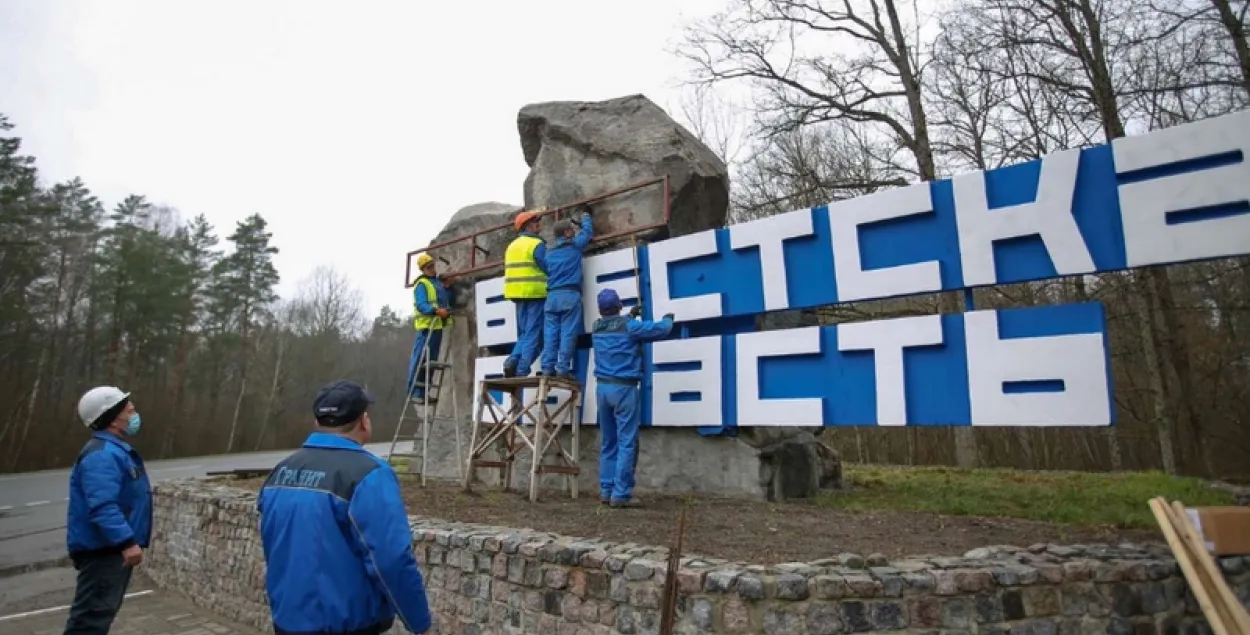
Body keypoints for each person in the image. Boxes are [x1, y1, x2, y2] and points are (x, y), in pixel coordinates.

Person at [257, 380, 432, 635]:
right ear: (364, 421)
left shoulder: (279, 472)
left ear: (317, 422)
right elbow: (391, 559)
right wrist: (420, 624)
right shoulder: (369, 474)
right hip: (346, 625)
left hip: (286, 622)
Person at [63, 386, 152, 635]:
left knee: (97, 617)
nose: (135, 415)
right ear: (114, 419)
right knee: (90, 621)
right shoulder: (102, 455)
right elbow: (102, 507)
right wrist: (126, 542)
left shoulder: (112, 450)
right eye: (130, 410)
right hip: (104, 551)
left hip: (108, 550)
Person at [590, 289, 674, 508]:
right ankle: (621, 494)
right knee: (627, 442)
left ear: (600, 309)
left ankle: (606, 491)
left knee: (609, 443)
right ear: (618, 305)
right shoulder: (630, 326)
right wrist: (668, 319)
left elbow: (616, 327)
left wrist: (630, 316)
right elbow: (661, 330)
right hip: (624, 389)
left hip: (602, 389)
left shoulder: (596, 327)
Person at [540, 205, 594, 379]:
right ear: (567, 233)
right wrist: (586, 216)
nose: (573, 230)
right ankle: (563, 369)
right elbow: (587, 233)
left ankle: (547, 369)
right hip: (569, 295)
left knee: (550, 334)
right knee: (567, 333)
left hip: (551, 297)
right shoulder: (574, 246)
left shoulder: (548, 253)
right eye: (571, 229)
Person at [502, 209, 548, 378]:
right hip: (535, 293)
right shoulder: (536, 244)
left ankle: (511, 361)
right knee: (533, 333)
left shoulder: (512, 245)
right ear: (527, 226)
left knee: (524, 333)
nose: (539, 226)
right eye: (536, 223)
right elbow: (547, 265)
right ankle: (522, 369)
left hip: (517, 294)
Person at [407, 252, 453, 403]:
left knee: (431, 362)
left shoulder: (437, 284)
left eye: (433, 265)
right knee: (420, 360)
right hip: (426, 328)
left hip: (437, 328)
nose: (433, 268)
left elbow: (445, 301)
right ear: (423, 269)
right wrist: (435, 311)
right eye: (429, 267)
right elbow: (421, 304)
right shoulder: (422, 284)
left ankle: (424, 393)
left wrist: (447, 287)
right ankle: (415, 392)